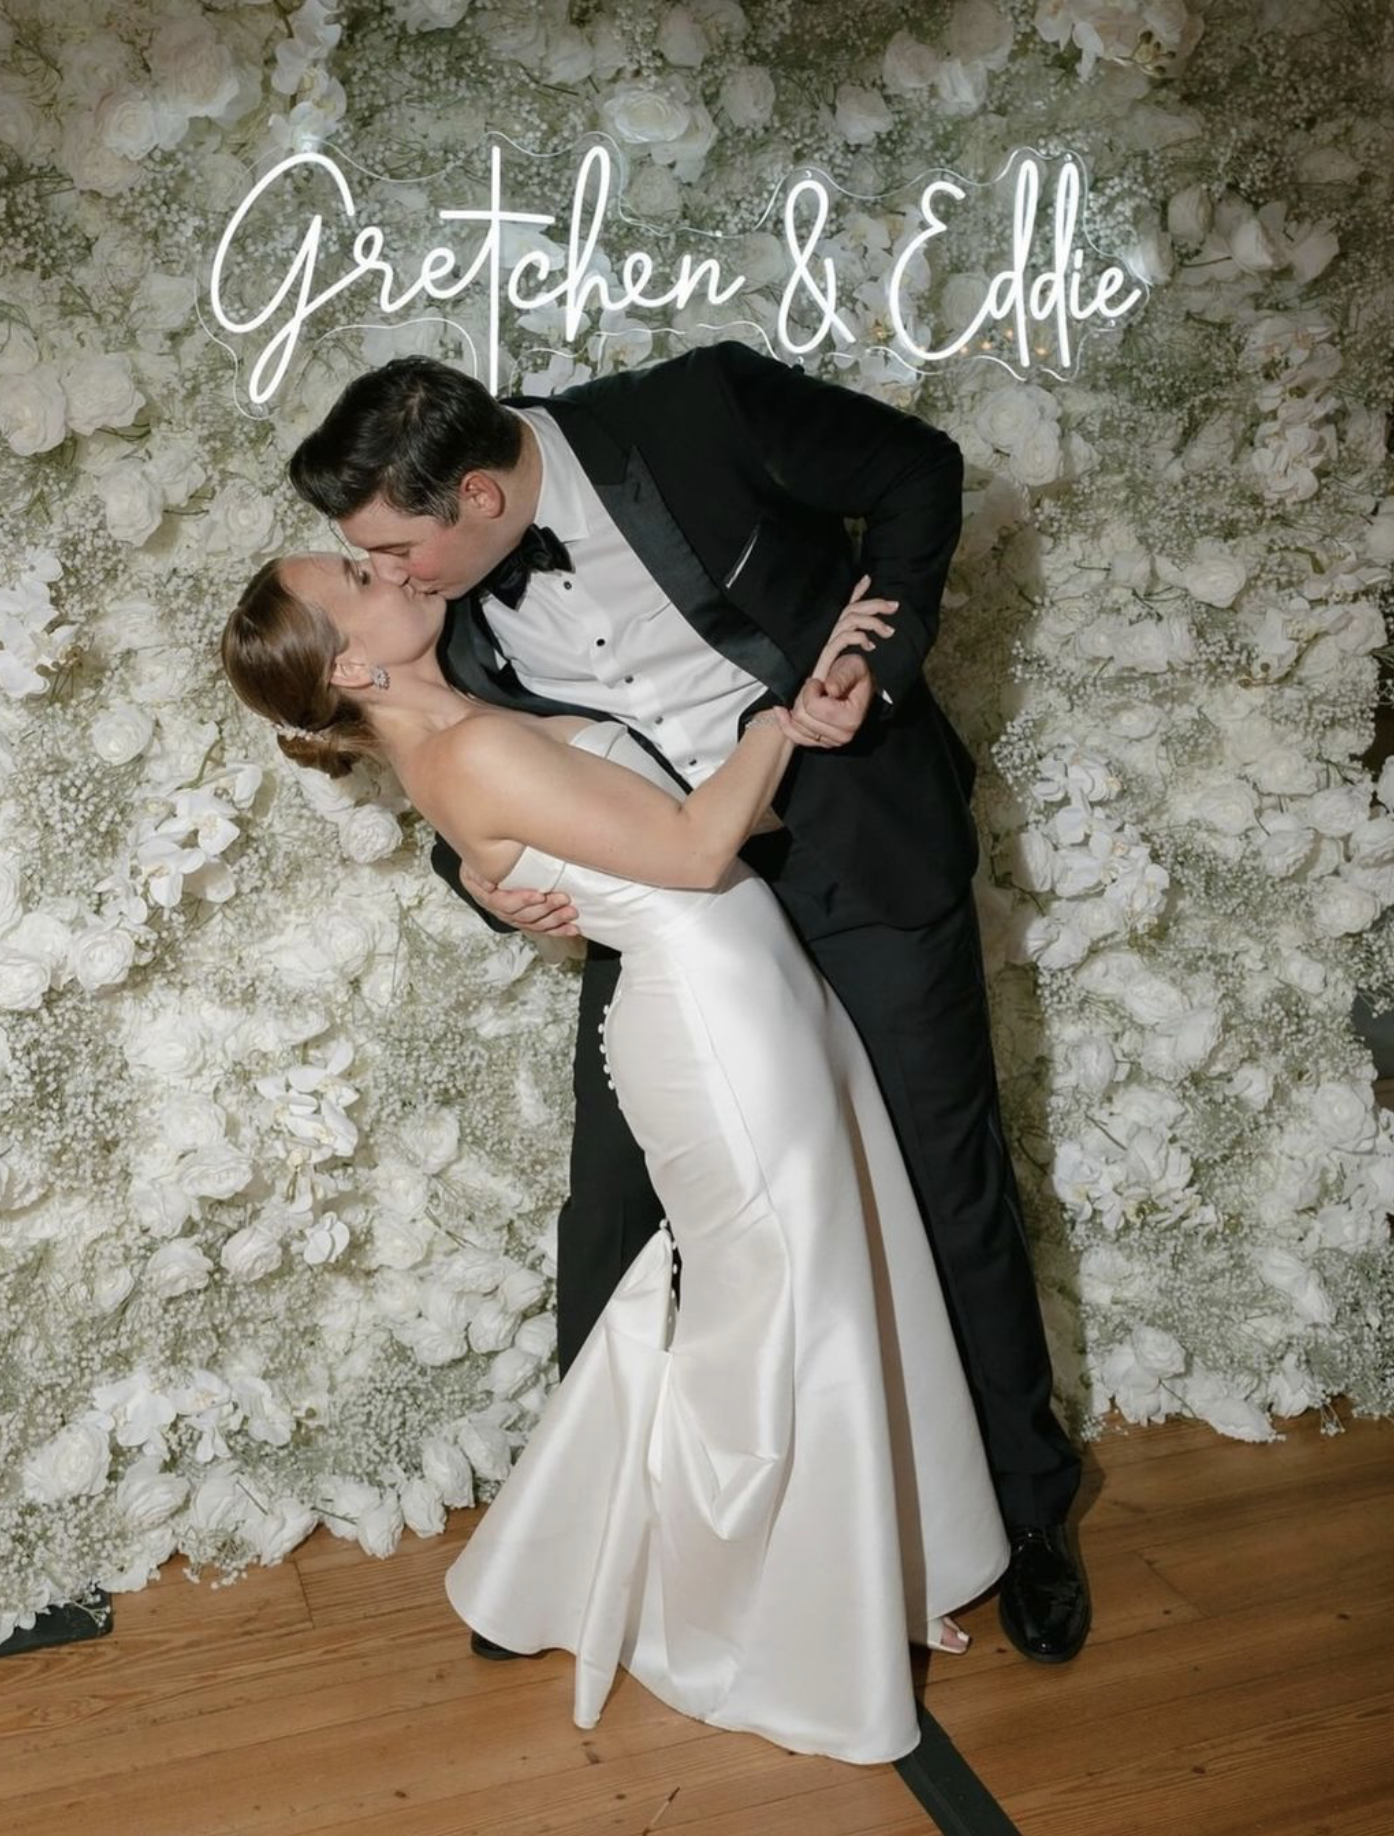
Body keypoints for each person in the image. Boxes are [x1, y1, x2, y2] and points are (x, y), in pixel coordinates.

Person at [284, 342, 1090, 1665]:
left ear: (476, 498)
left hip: (861, 855)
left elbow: (915, 472)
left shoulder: (694, 408)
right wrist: (480, 880)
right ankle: (578, 1544)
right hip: (677, 923)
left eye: (393, 550)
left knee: (945, 1182)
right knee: (614, 1210)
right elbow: (448, 765)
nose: (389, 575)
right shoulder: (433, 613)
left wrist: (879, 666)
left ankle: (1026, 1509)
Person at [220, 556, 1008, 1761]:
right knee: (778, 1316)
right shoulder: (466, 750)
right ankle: (764, 1619)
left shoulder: (456, 733)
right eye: (357, 578)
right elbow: (692, 851)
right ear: (352, 664)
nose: (389, 567)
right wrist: (785, 712)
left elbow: (635, 836)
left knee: (824, 1288)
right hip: (715, 1024)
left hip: (746, 994)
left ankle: (850, 1581)